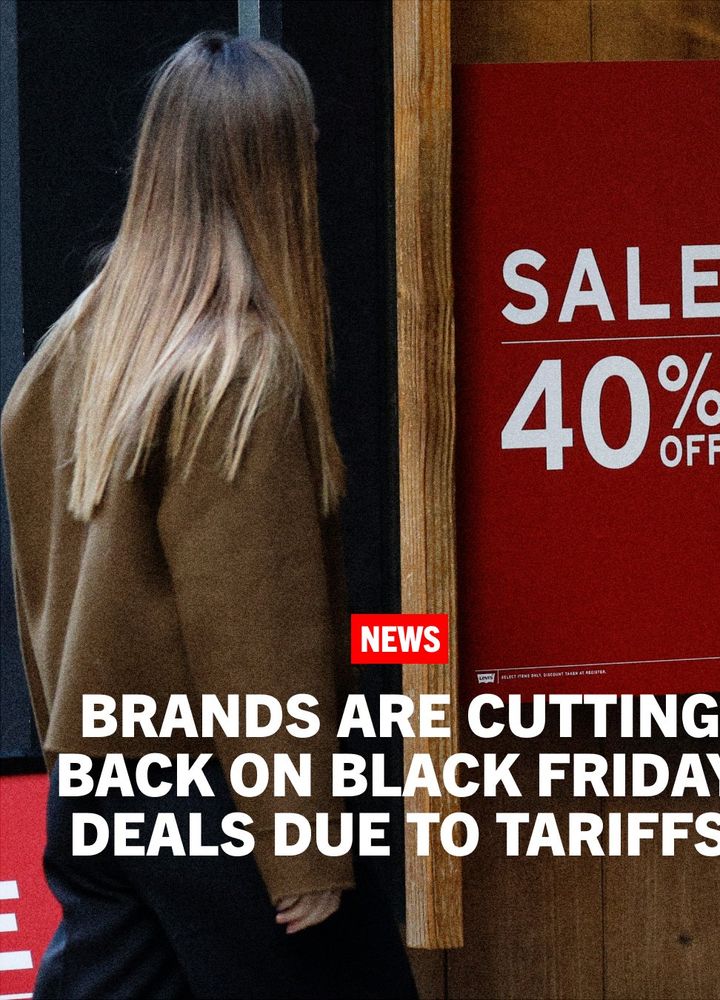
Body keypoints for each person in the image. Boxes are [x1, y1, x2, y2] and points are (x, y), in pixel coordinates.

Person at [1, 30, 417, 1000]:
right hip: (215, 801)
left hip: (99, 790)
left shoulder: (80, 347)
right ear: (268, 168)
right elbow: (254, 626)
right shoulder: (241, 370)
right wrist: (303, 842)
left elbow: (39, 586)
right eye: (302, 149)